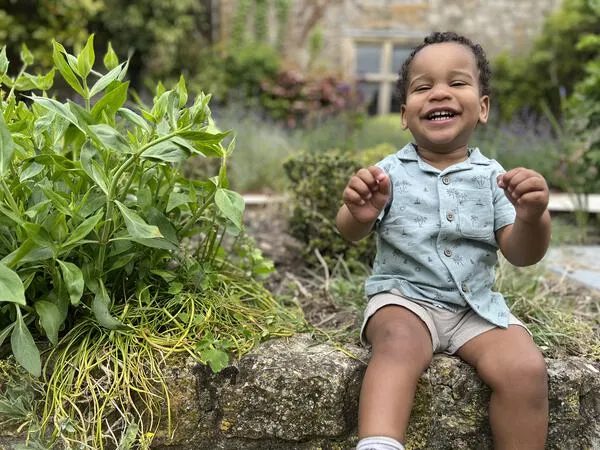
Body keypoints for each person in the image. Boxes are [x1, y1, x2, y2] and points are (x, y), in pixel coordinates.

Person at [336, 31, 551, 450]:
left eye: (456, 83)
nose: (438, 94)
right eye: (422, 87)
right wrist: (358, 214)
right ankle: (379, 444)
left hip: (475, 308)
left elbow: (521, 253)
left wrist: (532, 217)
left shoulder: (495, 178)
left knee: (525, 369)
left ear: (482, 107)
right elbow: (349, 229)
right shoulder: (388, 173)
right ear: (404, 114)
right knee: (398, 343)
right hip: (405, 299)